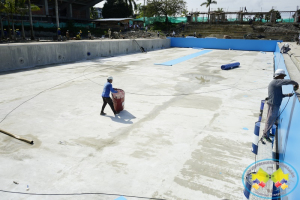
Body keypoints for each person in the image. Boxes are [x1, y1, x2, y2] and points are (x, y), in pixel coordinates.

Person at [261, 69, 299, 143]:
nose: (283, 78)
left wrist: (287, 95)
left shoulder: (276, 83)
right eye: (282, 76)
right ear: (279, 76)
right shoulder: (276, 82)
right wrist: (296, 83)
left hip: (275, 104)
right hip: (273, 105)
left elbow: (279, 95)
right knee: (270, 121)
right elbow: (288, 82)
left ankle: (267, 133)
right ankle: (265, 136)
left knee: (271, 120)